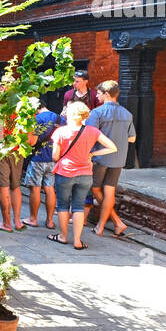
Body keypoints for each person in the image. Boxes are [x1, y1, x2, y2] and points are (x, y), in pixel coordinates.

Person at [48, 101, 118, 250]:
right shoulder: (92, 131)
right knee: (79, 207)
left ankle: (63, 236)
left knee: (63, 205)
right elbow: (112, 147)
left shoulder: (60, 132)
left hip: (65, 172)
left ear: (70, 114)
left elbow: (55, 156)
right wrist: (92, 153)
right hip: (85, 173)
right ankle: (78, 241)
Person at [87, 80, 136, 237]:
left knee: (95, 188)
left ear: (107, 94)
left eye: (99, 93)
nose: (98, 96)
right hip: (119, 158)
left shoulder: (97, 112)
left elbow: (89, 135)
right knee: (110, 191)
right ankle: (104, 226)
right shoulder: (127, 114)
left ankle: (116, 222)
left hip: (100, 157)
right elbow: (132, 139)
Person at [21, 108, 62, 229]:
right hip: (53, 159)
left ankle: (33, 218)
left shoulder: (38, 119)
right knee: (50, 189)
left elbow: (31, 142)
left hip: (38, 158)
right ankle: (50, 221)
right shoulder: (60, 118)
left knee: (35, 189)